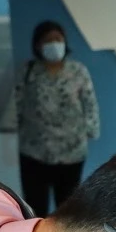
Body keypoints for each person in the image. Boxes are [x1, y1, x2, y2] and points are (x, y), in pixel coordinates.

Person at [17, 20, 101, 215]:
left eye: (58, 39)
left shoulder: (78, 71)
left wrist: (91, 130)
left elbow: (90, 103)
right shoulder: (28, 71)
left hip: (71, 152)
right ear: (38, 45)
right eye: (48, 40)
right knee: (35, 208)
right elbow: (17, 104)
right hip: (35, 152)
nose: (54, 44)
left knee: (68, 208)